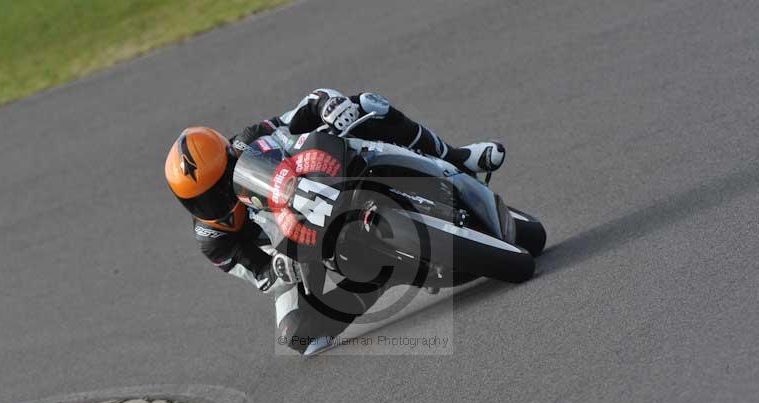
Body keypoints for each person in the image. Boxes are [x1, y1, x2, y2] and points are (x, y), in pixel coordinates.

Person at [164, 89, 505, 354]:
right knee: (298, 336)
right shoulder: (213, 237)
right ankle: (385, 274)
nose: (216, 201)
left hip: (326, 181)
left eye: (221, 185)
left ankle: (459, 156)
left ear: (230, 156)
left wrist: (329, 105)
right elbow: (259, 273)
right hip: (297, 250)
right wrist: (277, 269)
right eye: (200, 199)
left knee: (368, 105)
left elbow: (306, 107)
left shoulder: (250, 140)